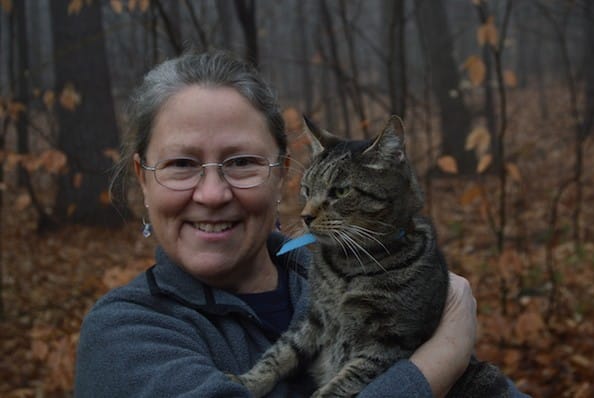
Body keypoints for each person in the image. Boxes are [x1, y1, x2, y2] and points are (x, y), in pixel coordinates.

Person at [75, 51, 528, 397]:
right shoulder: (124, 334)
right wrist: (438, 362)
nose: (212, 194)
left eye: (242, 162)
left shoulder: (344, 265)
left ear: (282, 172)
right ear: (143, 181)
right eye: (180, 164)